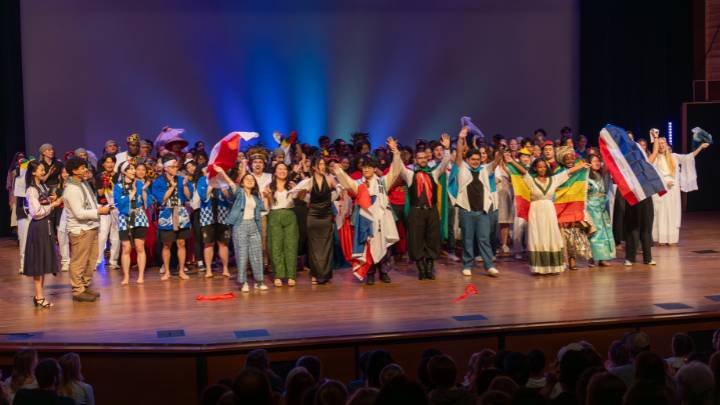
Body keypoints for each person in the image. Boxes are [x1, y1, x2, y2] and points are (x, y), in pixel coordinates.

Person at [504, 154, 590, 274]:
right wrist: (512, 161)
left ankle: (553, 267)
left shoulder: (553, 180)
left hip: (549, 211)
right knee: (538, 236)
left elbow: (567, 173)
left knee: (551, 235)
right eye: (539, 167)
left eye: (544, 167)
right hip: (536, 211)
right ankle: (539, 268)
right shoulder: (531, 180)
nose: (542, 169)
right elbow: (523, 172)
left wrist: (581, 166)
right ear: (535, 168)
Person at [332, 138, 402, 285]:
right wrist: (338, 171)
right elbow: (347, 182)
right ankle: (370, 273)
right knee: (368, 245)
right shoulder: (358, 184)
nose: (366, 170)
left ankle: (383, 271)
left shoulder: (383, 181)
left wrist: (395, 152)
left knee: (385, 244)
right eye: (364, 167)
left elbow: (395, 171)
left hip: (382, 218)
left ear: (374, 168)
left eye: (369, 167)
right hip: (366, 219)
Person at [397, 134, 452, 280]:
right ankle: (421, 268)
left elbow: (445, 163)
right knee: (416, 239)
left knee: (432, 239)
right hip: (416, 212)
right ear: (415, 160)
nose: (422, 160)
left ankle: (430, 267)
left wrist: (446, 148)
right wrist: (395, 152)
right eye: (419, 158)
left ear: (428, 158)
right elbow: (399, 167)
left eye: (424, 158)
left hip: (431, 210)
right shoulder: (410, 175)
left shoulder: (433, 173)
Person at [452, 128, 500, 277]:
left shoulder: (485, 170)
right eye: (472, 159)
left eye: (477, 160)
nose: (475, 162)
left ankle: (489, 265)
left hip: (482, 212)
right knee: (467, 240)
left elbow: (496, 162)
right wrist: (461, 138)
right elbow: (459, 154)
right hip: (467, 211)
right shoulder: (462, 169)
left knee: (484, 239)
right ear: (468, 160)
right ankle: (467, 265)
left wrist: (501, 150)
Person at [64, 157, 111, 302]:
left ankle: (84, 286)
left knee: (91, 260)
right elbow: (79, 213)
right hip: (81, 230)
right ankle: (78, 290)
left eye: (85, 167)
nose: (85, 170)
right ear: (74, 171)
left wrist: (101, 208)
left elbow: (90, 204)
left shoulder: (83, 183)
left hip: (91, 226)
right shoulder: (71, 189)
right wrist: (99, 212)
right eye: (82, 168)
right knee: (79, 261)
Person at [217, 167, 268, 292]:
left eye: (252, 179)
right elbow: (231, 185)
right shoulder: (239, 193)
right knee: (242, 255)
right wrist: (223, 172)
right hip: (240, 226)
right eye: (247, 179)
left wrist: (267, 197)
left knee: (256, 255)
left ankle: (259, 281)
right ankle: (243, 282)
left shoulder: (256, 198)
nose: (250, 180)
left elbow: (264, 209)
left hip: (254, 226)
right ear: (242, 182)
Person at [650, 137, 708, 245]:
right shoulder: (655, 159)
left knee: (672, 212)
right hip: (662, 190)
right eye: (660, 143)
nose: (662, 145)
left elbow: (688, 158)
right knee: (662, 213)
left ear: (667, 144)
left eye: (664, 143)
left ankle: (671, 239)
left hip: (673, 191)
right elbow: (652, 174)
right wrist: (664, 182)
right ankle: (662, 238)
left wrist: (700, 147)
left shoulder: (674, 157)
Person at [290, 157, 339, 285]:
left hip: (326, 215)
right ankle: (316, 274)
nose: (322, 166)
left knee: (327, 245)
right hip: (313, 215)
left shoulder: (330, 179)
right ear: (314, 167)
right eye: (320, 164)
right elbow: (297, 195)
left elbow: (341, 191)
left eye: (323, 164)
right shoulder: (309, 181)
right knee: (313, 246)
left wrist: (332, 200)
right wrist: (306, 196)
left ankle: (326, 274)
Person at [22, 160, 63, 308]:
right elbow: (36, 213)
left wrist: (48, 200)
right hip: (39, 227)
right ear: (33, 172)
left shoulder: (41, 186)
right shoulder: (32, 190)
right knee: (38, 262)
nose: (42, 171)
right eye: (40, 169)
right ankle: (39, 297)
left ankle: (40, 295)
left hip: (46, 226)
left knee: (44, 261)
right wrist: (52, 205)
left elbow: (41, 204)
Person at [151, 155, 193, 280]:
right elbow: (161, 199)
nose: (176, 168)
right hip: (167, 213)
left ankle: (181, 270)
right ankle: (167, 271)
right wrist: (172, 187)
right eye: (173, 167)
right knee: (167, 244)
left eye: (176, 166)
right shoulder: (158, 182)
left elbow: (188, 196)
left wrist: (185, 185)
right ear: (166, 168)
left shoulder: (181, 179)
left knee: (181, 243)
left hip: (180, 212)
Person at [624, 129, 660, 266]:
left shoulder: (646, 163)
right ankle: (629, 257)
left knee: (646, 228)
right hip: (633, 199)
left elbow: (655, 152)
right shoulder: (628, 164)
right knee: (632, 228)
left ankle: (648, 258)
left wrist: (655, 138)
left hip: (646, 198)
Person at [113, 161, 150, 284]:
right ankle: (126, 277)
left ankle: (141, 276)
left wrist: (144, 191)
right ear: (124, 172)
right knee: (126, 248)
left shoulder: (140, 183)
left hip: (139, 216)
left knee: (140, 247)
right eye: (131, 169)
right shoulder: (118, 187)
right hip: (125, 217)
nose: (134, 171)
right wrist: (133, 192)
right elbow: (119, 203)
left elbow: (148, 201)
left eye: (134, 169)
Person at [263, 162, 299, 287]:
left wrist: (297, 190)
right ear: (275, 172)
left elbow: (298, 200)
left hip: (289, 214)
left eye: (284, 169)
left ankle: (291, 275)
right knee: (275, 246)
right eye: (279, 169)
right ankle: (278, 275)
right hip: (274, 215)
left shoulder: (292, 184)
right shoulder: (269, 186)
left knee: (291, 245)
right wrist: (268, 196)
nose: (282, 171)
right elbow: (268, 206)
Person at [196, 165, 232, 278]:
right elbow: (203, 196)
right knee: (208, 243)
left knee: (223, 243)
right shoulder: (202, 180)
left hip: (223, 214)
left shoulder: (223, 178)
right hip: (207, 214)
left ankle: (225, 268)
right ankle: (208, 270)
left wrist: (221, 184)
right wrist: (210, 182)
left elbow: (229, 196)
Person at [586, 154, 615, 266]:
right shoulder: (586, 177)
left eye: (598, 161)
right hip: (591, 208)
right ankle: (592, 257)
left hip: (602, 206)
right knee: (594, 232)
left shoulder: (601, 175)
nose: (597, 163)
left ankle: (603, 258)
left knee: (605, 231)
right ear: (589, 163)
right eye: (594, 161)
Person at [95, 154, 120, 269]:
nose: (110, 164)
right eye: (107, 162)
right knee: (102, 235)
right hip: (104, 208)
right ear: (103, 164)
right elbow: (99, 193)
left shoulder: (119, 176)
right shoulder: (99, 176)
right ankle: (98, 261)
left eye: (112, 162)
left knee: (115, 236)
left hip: (116, 208)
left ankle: (113, 261)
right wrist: (105, 183)